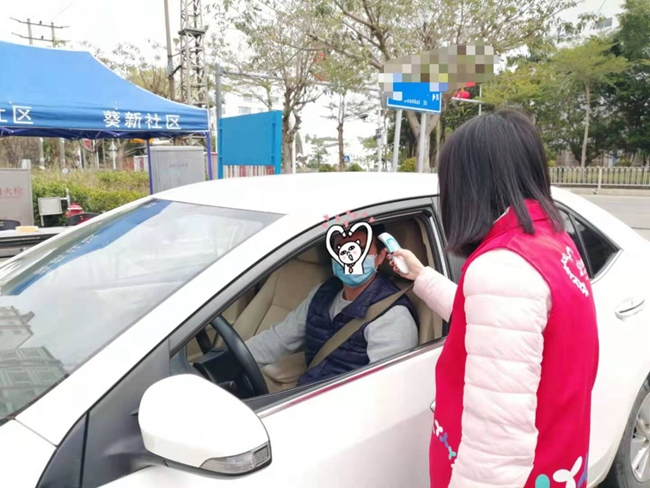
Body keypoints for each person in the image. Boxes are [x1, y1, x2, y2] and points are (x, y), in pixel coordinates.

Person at [389, 109, 599, 487]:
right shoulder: (548, 241)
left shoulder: (504, 268)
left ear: (468, 184)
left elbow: (496, 444)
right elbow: (495, 322)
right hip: (555, 461)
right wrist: (422, 277)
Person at [246, 224, 419, 386]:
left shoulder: (392, 315)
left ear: (380, 256)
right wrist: (236, 358)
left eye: (359, 248)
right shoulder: (323, 293)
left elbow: (383, 389)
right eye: (339, 248)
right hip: (307, 392)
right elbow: (279, 338)